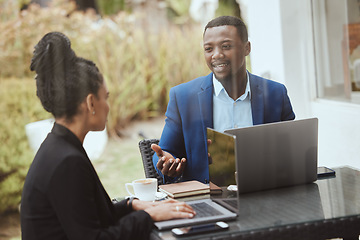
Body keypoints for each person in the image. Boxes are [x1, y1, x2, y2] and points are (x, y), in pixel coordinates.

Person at [20, 32, 195, 240]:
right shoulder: (67, 161)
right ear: (90, 103)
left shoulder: (58, 147)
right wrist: (149, 215)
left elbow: (88, 216)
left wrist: (131, 205)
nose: (108, 106)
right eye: (106, 97)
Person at [152, 16, 295, 184]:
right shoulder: (183, 96)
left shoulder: (276, 93)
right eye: (208, 49)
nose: (217, 55)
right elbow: (166, 151)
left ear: (247, 48)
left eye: (226, 46)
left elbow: (292, 150)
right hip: (207, 198)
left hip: (266, 192)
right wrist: (167, 162)